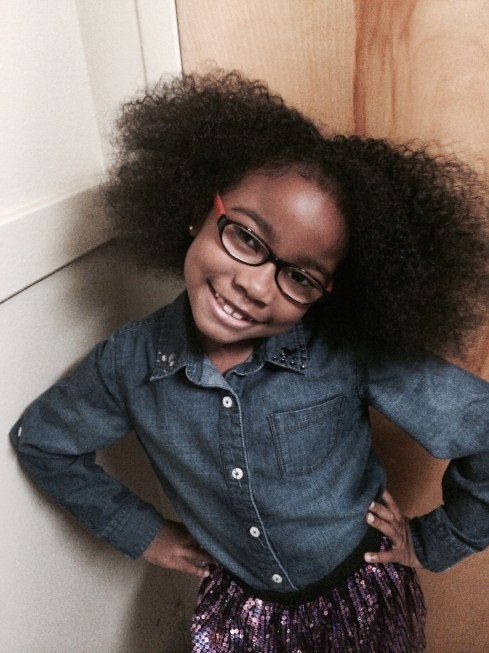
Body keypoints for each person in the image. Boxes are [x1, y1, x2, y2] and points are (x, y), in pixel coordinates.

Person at [9, 71, 489, 653]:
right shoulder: (127, 363)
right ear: (198, 210)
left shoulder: (347, 352)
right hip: (239, 614)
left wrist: (436, 540)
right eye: (247, 238)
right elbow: (44, 442)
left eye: (301, 276)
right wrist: (145, 533)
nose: (256, 287)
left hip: (362, 600)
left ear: (333, 293)